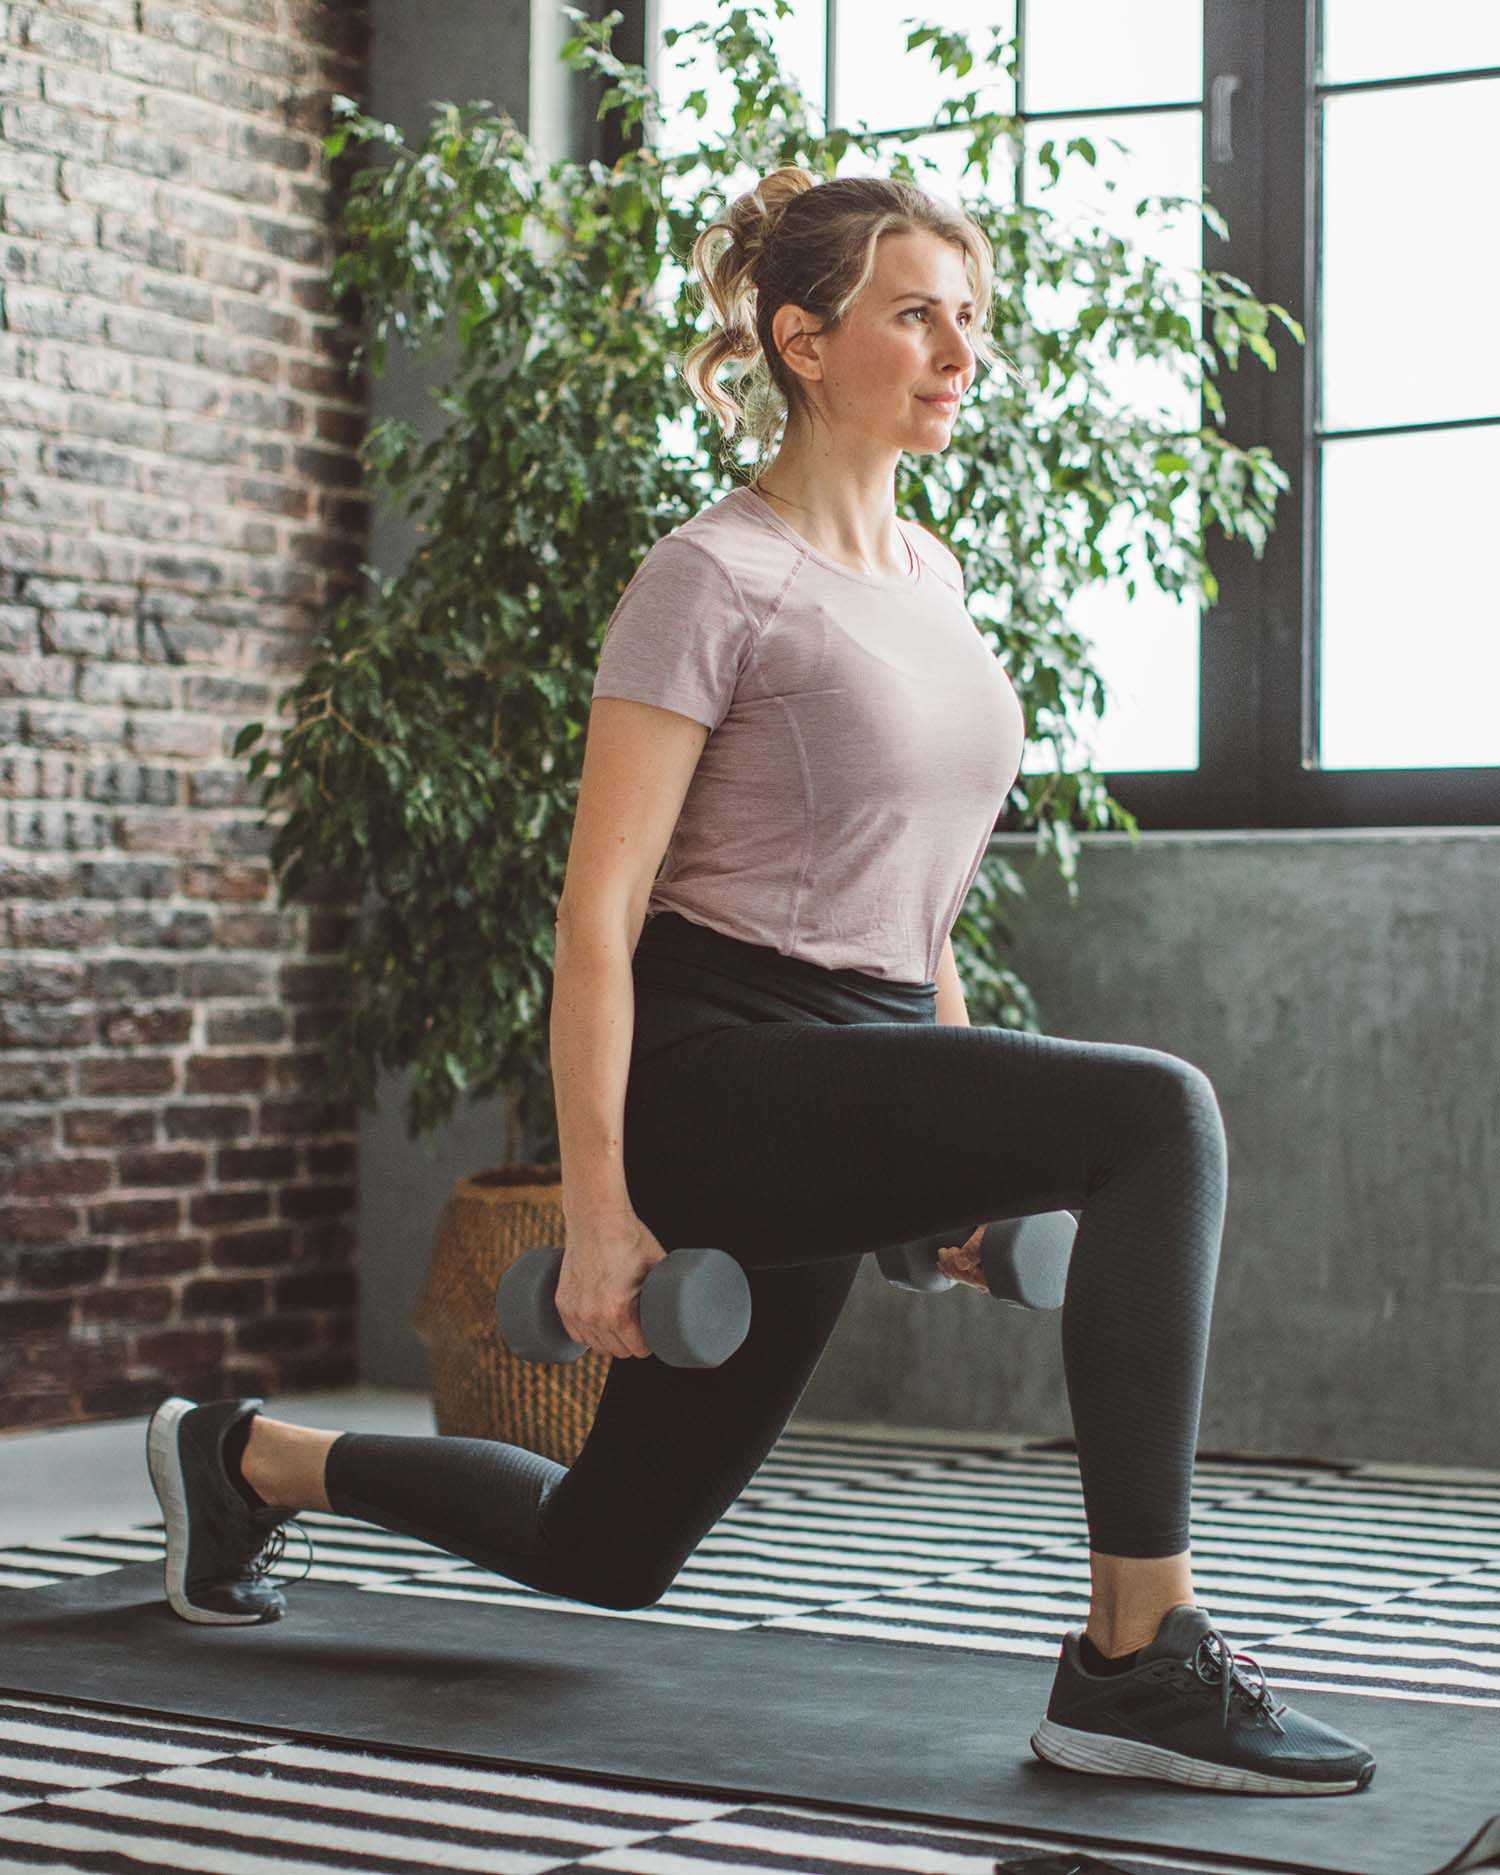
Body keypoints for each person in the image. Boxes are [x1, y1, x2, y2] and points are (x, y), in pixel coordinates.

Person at [147, 168, 1375, 1798]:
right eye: (915, 315)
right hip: (719, 1067)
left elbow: (922, 895)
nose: (961, 353)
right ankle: (1138, 1658)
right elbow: (598, 916)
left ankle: (238, 1460)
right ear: (803, 341)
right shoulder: (710, 577)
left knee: (612, 1546)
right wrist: (600, 1215)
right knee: (1163, 1115)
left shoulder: (927, 576)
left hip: (855, 1065)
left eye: (971, 318)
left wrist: (962, 1157)